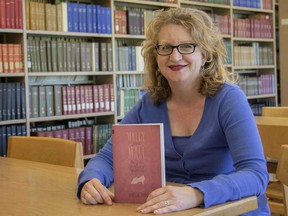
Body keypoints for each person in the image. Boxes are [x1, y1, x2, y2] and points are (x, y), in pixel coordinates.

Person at [77, 7, 270, 215]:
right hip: (172, 211)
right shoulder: (149, 104)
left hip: (231, 210)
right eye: (166, 48)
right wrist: (91, 180)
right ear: (156, 57)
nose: (175, 56)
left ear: (205, 54)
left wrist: (196, 193)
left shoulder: (229, 99)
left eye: (187, 46)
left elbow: (256, 174)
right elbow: (108, 157)